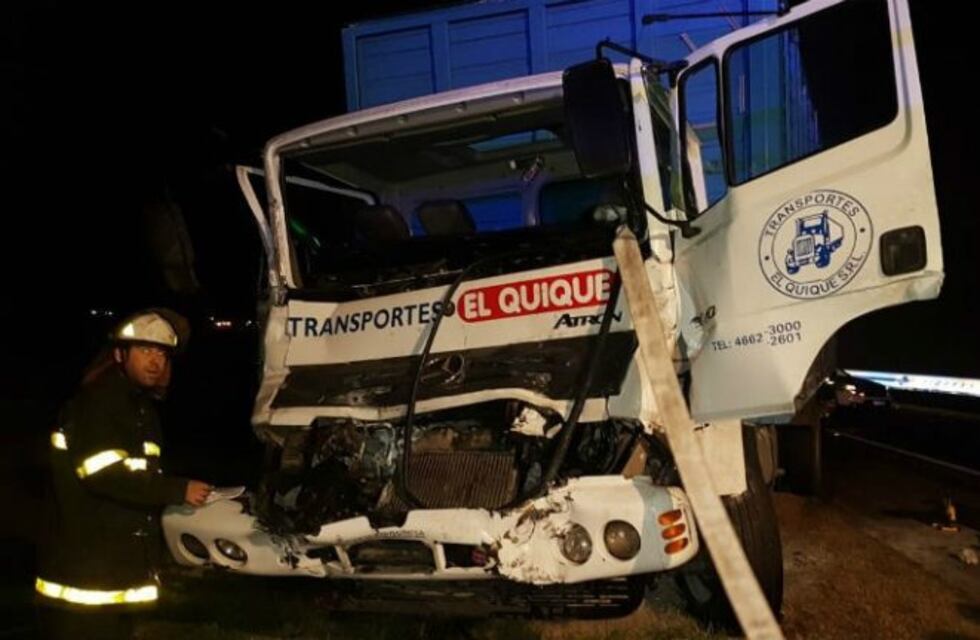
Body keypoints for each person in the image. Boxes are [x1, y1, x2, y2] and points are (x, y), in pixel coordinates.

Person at [35, 309, 212, 639]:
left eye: (162, 354)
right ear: (119, 355)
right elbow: (105, 475)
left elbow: (140, 477)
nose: (155, 361)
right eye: (145, 350)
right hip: (85, 577)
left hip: (114, 569)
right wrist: (177, 490)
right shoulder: (98, 404)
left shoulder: (139, 409)